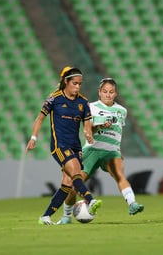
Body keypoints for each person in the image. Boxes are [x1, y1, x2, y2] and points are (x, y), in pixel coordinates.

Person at [57, 77, 144, 225]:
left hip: (111, 151)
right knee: (73, 184)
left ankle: (132, 204)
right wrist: (100, 126)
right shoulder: (90, 107)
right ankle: (66, 216)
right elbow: (87, 128)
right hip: (92, 150)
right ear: (99, 92)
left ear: (115, 94)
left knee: (119, 174)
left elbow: (117, 132)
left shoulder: (122, 111)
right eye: (105, 92)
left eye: (111, 92)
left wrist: (118, 149)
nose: (108, 95)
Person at [25, 66, 102, 225]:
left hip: (76, 146)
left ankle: (45, 217)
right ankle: (90, 200)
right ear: (66, 82)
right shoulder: (54, 98)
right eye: (74, 83)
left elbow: (87, 122)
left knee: (68, 184)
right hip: (59, 146)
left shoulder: (83, 101)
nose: (77, 87)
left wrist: (88, 133)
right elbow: (40, 118)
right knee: (75, 171)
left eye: (80, 84)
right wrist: (33, 138)